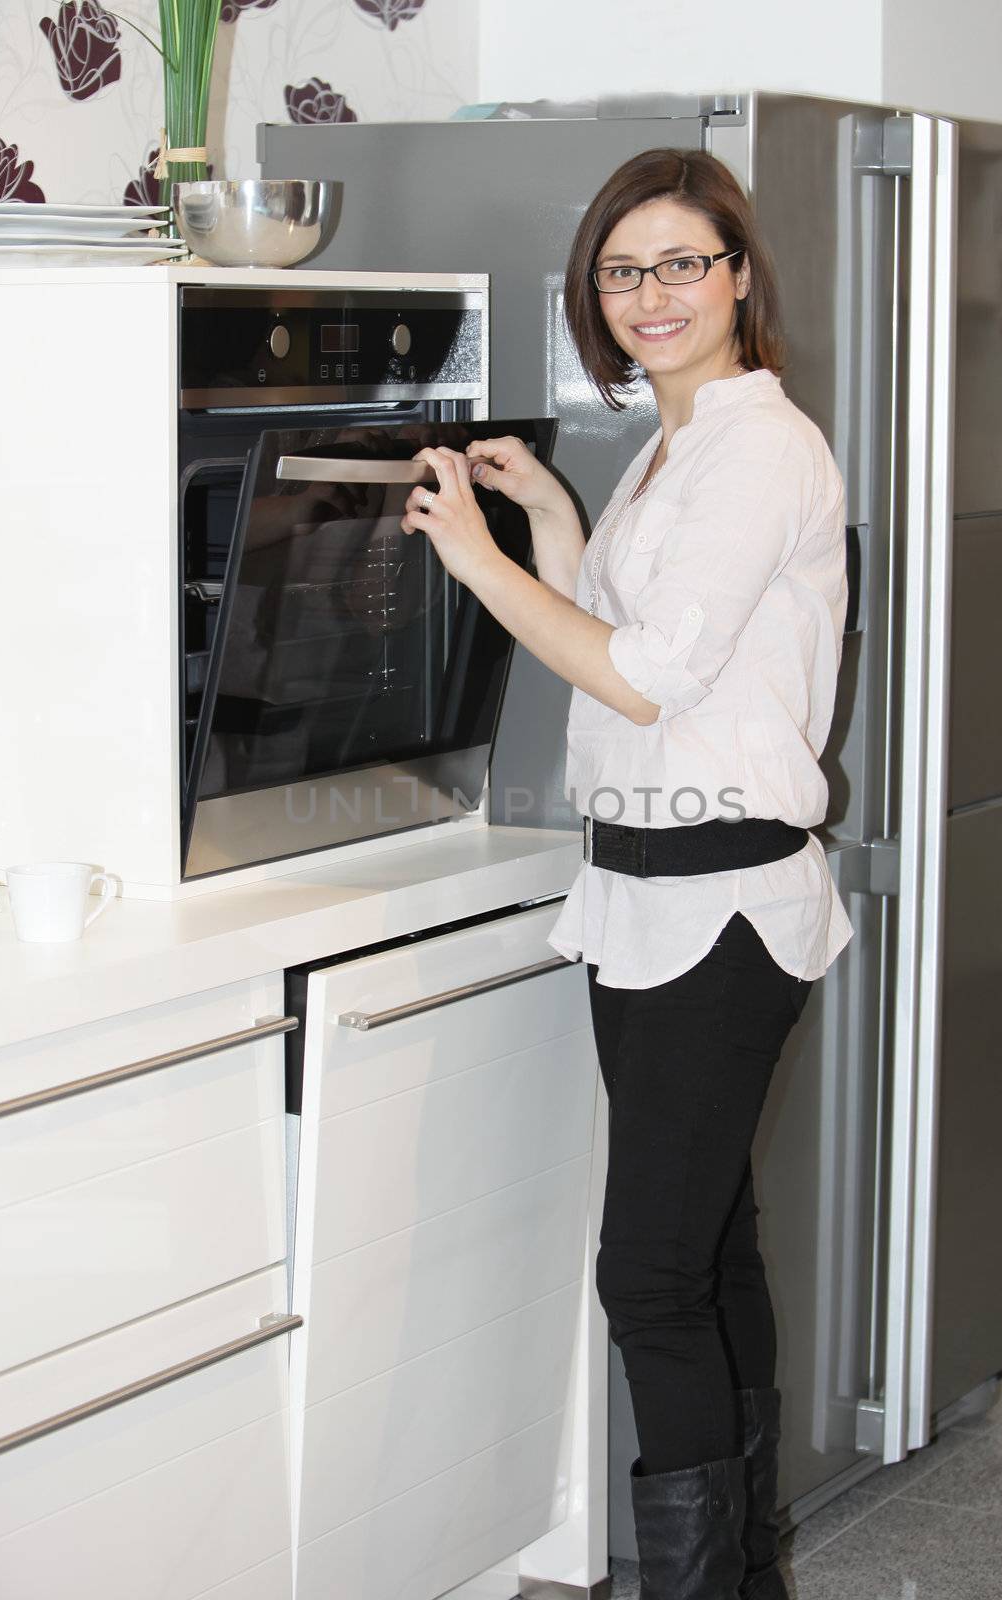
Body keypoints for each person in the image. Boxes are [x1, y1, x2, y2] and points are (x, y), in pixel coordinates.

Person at [401, 147, 853, 1600]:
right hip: (650, 895)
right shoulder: (677, 443)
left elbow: (651, 680)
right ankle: (748, 1577)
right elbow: (625, 624)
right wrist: (544, 514)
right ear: (595, 296)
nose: (650, 294)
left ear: (736, 276)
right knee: (710, 1252)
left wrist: (473, 559)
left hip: (720, 903)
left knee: (650, 1275)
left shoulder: (761, 445)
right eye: (622, 270)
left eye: (680, 264)